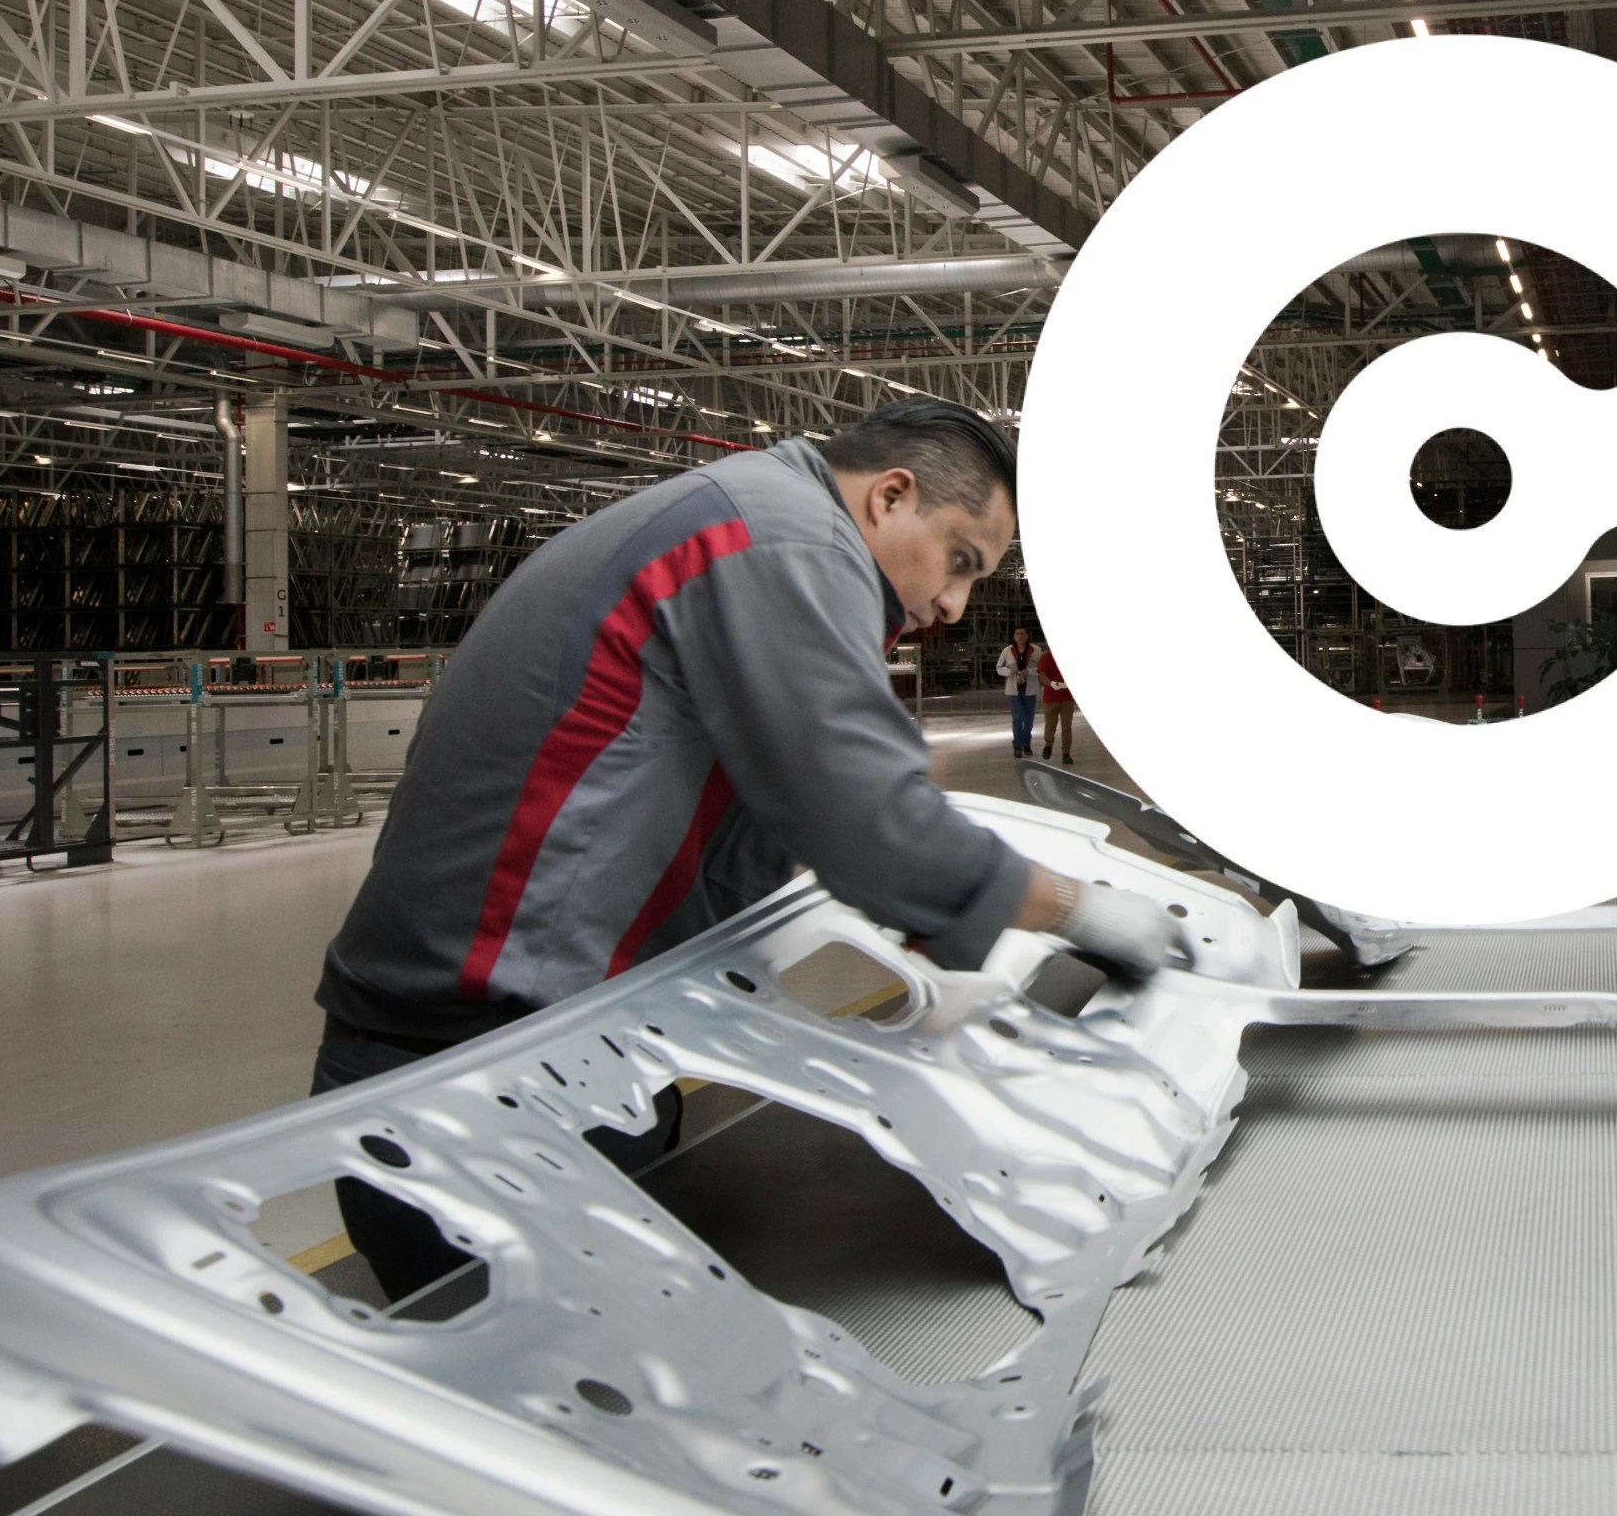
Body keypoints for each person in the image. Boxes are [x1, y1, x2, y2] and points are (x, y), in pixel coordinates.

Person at [306, 398, 1189, 1299]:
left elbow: (771, 822)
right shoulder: (783, 540)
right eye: (959, 560)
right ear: (890, 496)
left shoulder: (749, 519)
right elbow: (868, 819)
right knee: (530, 1358)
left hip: (557, 1047)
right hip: (482, 1071)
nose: (954, 606)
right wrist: (1073, 909)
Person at [997, 624, 1043, 757]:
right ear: (1014, 636)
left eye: (1023, 633)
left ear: (1027, 635)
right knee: (1018, 717)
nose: (1020, 636)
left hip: (1030, 689)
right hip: (1013, 690)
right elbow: (999, 668)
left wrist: (1029, 671)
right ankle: (1017, 745)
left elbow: (1041, 668)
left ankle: (1026, 745)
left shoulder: (1036, 650)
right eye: (1017, 634)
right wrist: (1009, 671)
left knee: (1029, 719)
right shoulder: (1007, 651)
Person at [1038, 639, 1076, 766]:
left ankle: (1066, 753)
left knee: (1067, 726)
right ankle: (1048, 743)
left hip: (1067, 698)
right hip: (1051, 698)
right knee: (1050, 724)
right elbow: (1042, 676)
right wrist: (1052, 683)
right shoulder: (1046, 657)